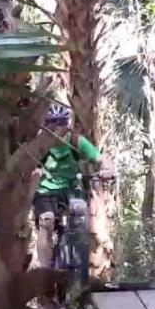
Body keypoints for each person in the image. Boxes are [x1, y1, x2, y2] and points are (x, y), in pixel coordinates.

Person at [31, 101, 109, 270]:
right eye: (51, 125)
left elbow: (100, 158)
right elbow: (28, 165)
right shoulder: (40, 145)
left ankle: (77, 267)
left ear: (66, 126)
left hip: (71, 189)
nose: (56, 130)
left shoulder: (75, 141)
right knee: (47, 221)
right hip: (45, 191)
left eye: (60, 124)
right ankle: (46, 271)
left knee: (80, 220)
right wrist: (33, 173)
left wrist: (107, 169)